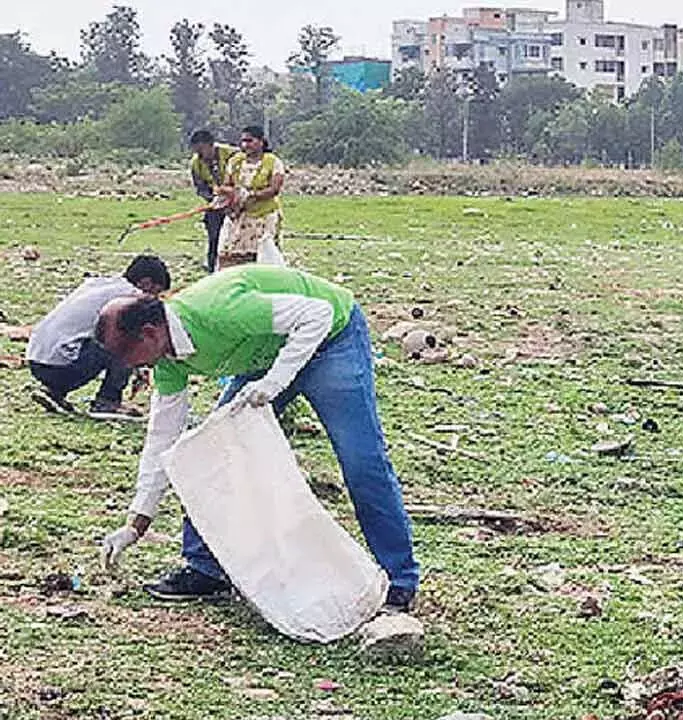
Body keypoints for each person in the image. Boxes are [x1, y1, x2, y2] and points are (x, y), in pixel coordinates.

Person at [94, 265, 419, 611]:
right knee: (213, 450)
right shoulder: (167, 360)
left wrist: (274, 383)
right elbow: (163, 438)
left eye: (125, 355)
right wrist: (137, 522)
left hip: (330, 340)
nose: (128, 367)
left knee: (361, 460)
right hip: (266, 355)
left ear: (148, 333)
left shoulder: (218, 309)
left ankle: (398, 580)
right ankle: (206, 569)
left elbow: (317, 315)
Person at [26, 255, 170, 420]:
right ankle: (108, 401)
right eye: (156, 293)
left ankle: (55, 391)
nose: (154, 299)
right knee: (127, 342)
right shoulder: (131, 298)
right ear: (145, 283)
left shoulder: (98, 283)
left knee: (97, 336)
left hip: (36, 358)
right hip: (61, 366)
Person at [215, 125, 286, 270]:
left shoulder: (273, 162)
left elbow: (274, 189)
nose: (245, 145)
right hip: (238, 216)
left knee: (263, 256)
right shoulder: (235, 161)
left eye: (249, 141)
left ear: (261, 142)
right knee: (229, 254)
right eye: (243, 141)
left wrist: (251, 195)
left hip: (263, 216)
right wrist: (229, 195)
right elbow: (227, 184)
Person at [188, 130, 237, 273]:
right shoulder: (196, 164)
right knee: (214, 236)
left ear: (211, 145)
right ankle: (212, 268)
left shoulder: (233, 156)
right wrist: (213, 199)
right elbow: (200, 187)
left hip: (239, 203)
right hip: (216, 204)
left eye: (202, 151)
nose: (201, 156)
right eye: (197, 152)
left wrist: (231, 198)